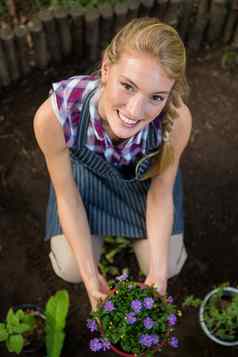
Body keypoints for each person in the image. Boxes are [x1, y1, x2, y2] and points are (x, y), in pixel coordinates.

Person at [34, 17, 192, 310]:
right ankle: (93, 249)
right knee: (70, 268)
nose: (135, 111)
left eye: (156, 97)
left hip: (142, 187)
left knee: (168, 265)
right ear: (106, 68)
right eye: (128, 86)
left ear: (169, 93)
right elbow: (66, 196)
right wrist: (90, 275)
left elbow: (160, 194)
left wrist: (157, 272)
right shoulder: (56, 114)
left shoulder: (177, 120)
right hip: (85, 185)